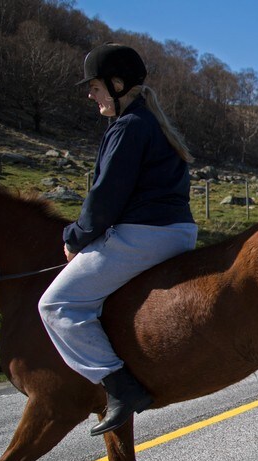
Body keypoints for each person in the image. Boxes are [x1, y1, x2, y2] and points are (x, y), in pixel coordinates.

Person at [39, 44, 198, 436]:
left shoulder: (128, 127)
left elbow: (106, 196)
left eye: (94, 87)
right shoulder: (151, 122)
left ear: (117, 83)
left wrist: (76, 237)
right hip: (178, 232)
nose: (90, 95)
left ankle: (120, 387)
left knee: (56, 303)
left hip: (145, 235)